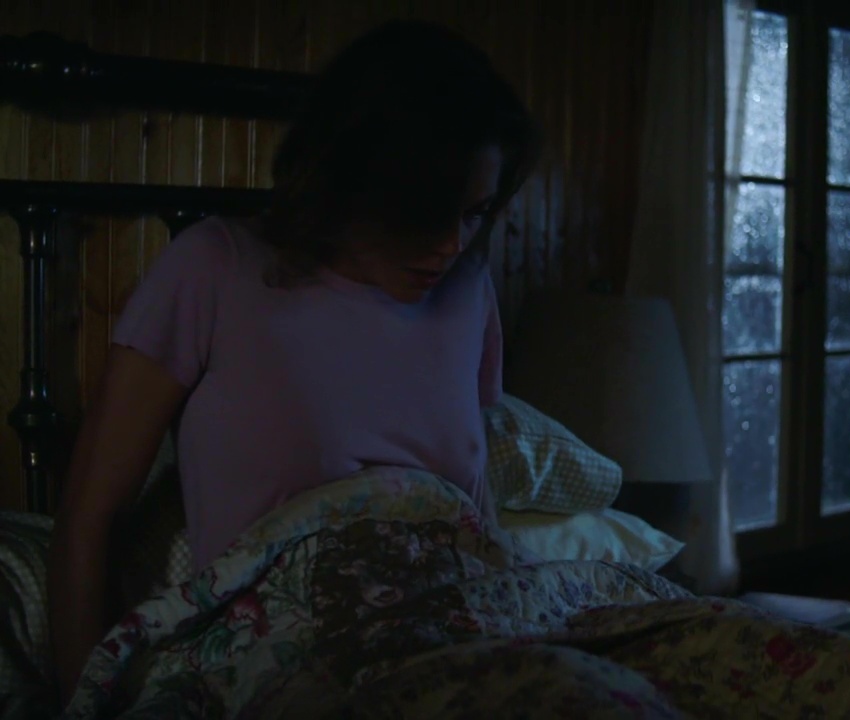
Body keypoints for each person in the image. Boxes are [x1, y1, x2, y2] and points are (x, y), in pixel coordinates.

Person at [47, 20, 539, 703]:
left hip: (463, 633)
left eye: (475, 212)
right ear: (352, 178)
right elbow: (87, 520)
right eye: (426, 212)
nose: (451, 243)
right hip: (290, 660)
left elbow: (474, 514)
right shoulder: (216, 268)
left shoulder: (468, 289)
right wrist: (82, 703)